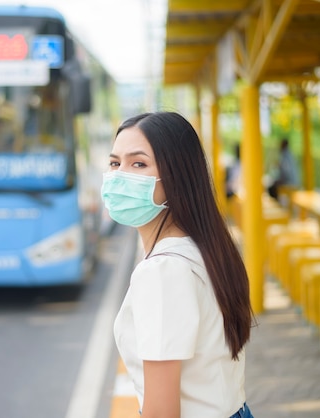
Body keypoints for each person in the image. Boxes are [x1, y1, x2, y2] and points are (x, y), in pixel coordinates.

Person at [101, 112, 255, 418]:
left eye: (139, 163)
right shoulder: (204, 248)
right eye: (115, 163)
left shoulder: (162, 271)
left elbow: (162, 412)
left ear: (175, 177)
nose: (120, 175)